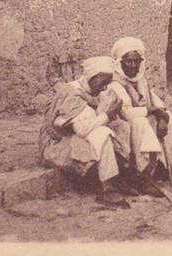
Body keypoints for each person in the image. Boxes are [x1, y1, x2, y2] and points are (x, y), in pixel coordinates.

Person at [39, 56, 130, 206]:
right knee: (101, 132)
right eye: (103, 83)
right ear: (92, 78)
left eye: (108, 83)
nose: (105, 87)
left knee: (121, 126)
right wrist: (107, 114)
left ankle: (119, 175)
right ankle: (107, 188)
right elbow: (81, 129)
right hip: (61, 142)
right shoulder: (72, 94)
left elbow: (101, 116)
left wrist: (112, 112)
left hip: (82, 137)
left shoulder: (96, 91)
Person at [107, 37, 172, 192]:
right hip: (124, 125)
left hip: (142, 118)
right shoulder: (115, 84)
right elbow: (125, 113)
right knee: (140, 123)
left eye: (137, 61)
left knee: (170, 120)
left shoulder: (141, 81)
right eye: (129, 62)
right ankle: (143, 175)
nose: (133, 66)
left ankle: (161, 166)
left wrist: (163, 116)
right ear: (120, 62)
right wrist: (151, 110)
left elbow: (155, 101)